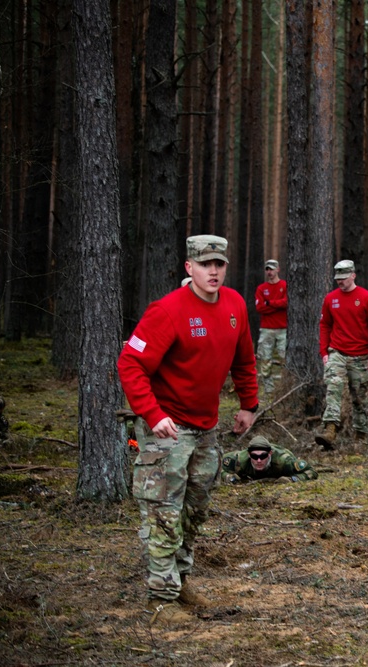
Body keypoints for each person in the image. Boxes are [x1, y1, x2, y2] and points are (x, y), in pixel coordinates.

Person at [118, 234, 259, 627]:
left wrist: (249, 404)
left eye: (220, 264)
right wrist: (151, 413)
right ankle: (161, 600)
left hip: (206, 428)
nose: (213, 271)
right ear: (189, 268)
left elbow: (244, 360)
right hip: (167, 430)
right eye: (205, 264)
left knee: (195, 510)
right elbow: (130, 364)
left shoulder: (234, 306)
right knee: (164, 511)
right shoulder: (167, 311)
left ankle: (180, 581)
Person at [316, 259, 368, 450]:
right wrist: (324, 351)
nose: (340, 281)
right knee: (333, 387)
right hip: (336, 352)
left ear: (353, 275)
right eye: (338, 278)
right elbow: (325, 325)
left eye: (344, 278)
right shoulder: (331, 299)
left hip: (361, 355)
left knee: (359, 396)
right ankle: (330, 428)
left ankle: (361, 434)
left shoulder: (366, 298)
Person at [255, 259, 288, 396]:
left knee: (285, 358)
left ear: (278, 270)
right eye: (267, 269)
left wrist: (270, 303)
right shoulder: (261, 288)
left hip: (283, 329)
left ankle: (285, 388)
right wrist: (276, 306)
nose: (270, 272)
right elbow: (260, 307)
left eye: (272, 269)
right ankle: (269, 390)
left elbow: (286, 303)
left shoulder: (285, 285)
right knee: (265, 359)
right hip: (266, 329)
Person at [222, 435, 317, 483]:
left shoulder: (284, 461)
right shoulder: (239, 460)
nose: (259, 460)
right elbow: (215, 467)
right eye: (254, 456)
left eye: (263, 456)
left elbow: (311, 471)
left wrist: (292, 479)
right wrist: (228, 477)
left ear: (269, 454)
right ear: (249, 454)